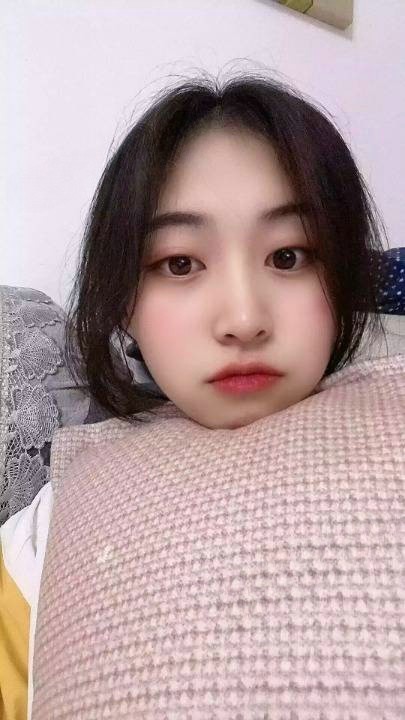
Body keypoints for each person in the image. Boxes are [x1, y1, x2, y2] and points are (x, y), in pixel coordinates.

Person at [0, 70, 389, 719]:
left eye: (289, 256)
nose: (243, 318)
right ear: (123, 300)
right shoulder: (45, 534)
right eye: (179, 263)